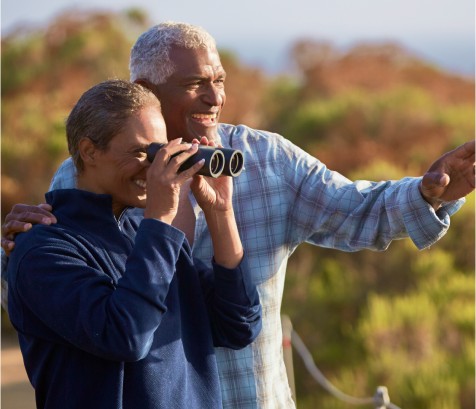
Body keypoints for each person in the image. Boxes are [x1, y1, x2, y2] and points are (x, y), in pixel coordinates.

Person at [2, 22, 475, 409]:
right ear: (143, 90)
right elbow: (54, 299)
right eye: (194, 85)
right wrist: (13, 246)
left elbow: (358, 213)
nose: (215, 98)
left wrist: (427, 194)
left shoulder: (265, 159)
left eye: (219, 81)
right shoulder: (93, 179)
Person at [6, 79, 262, 409]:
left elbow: (239, 325)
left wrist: (220, 212)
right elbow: (125, 336)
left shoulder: (147, 236)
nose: (153, 165)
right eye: (142, 152)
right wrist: (159, 219)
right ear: (89, 151)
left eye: (159, 151)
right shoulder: (43, 248)